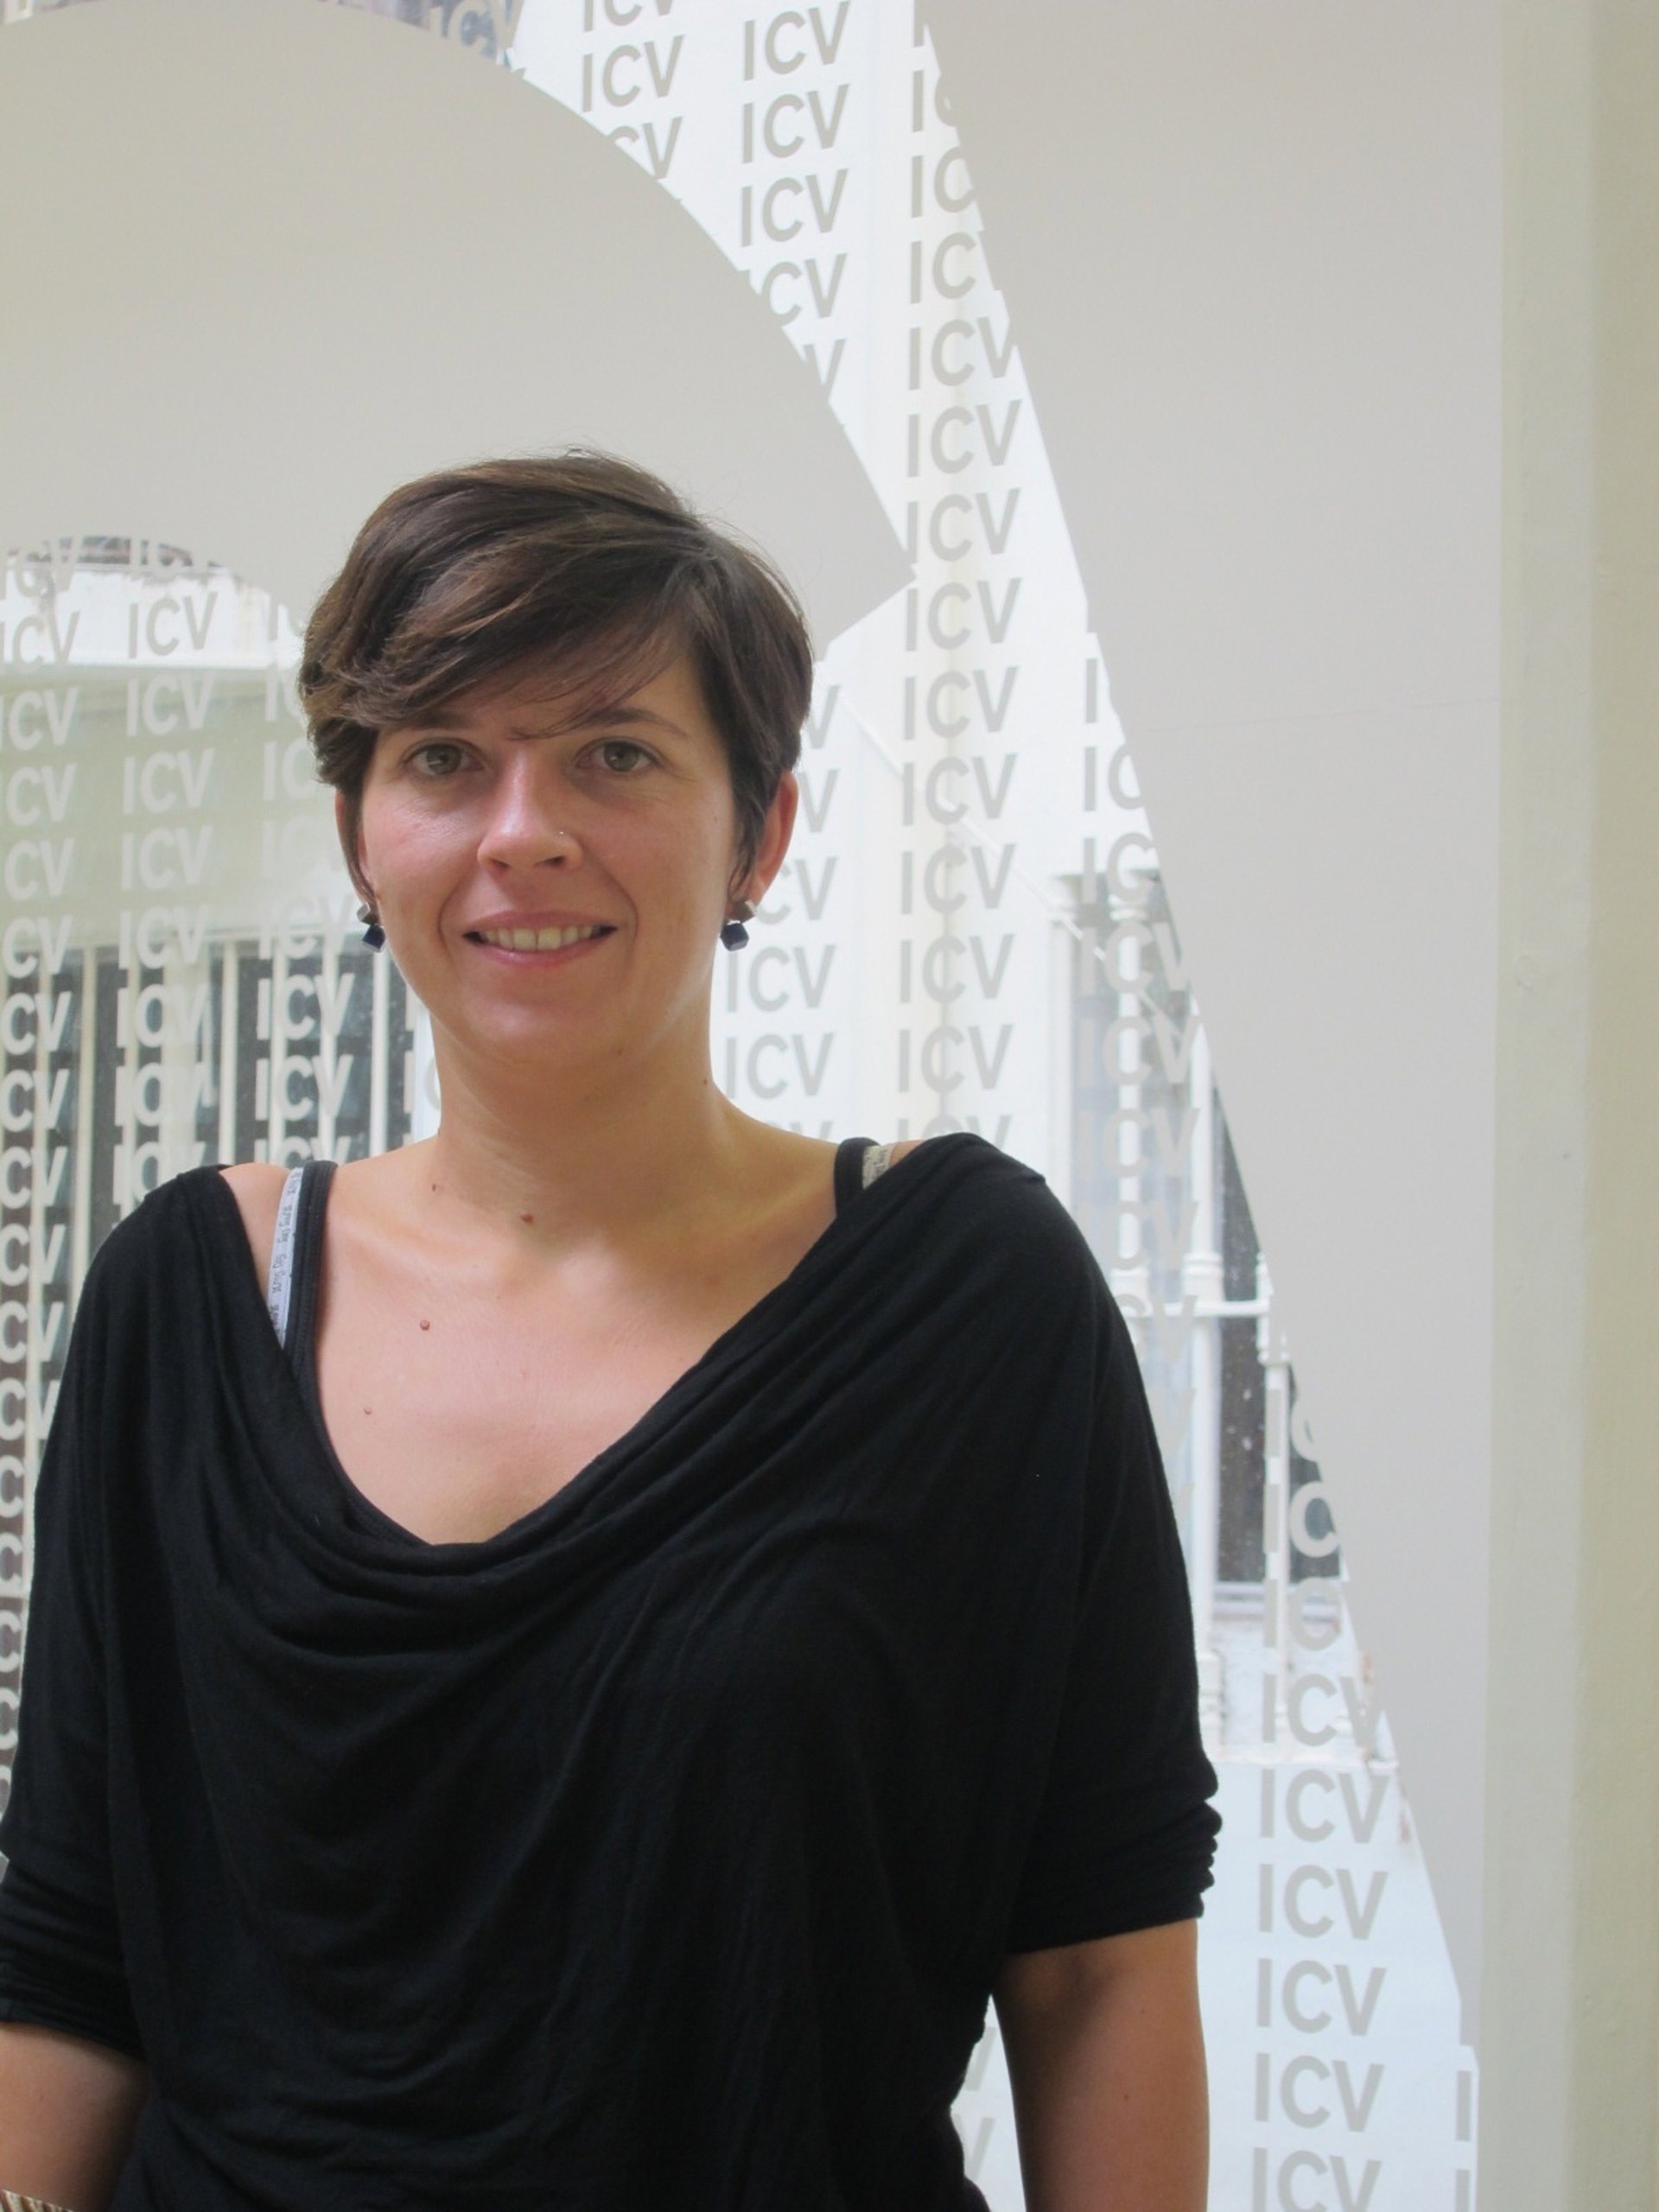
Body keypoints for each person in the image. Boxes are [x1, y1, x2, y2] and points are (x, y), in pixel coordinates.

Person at [0, 452, 1219, 2210]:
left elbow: (1097, 1957)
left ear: (761, 833)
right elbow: (73, 1953)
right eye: (442, 758)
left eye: (615, 754)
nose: (523, 831)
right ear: (360, 834)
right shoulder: (191, 1293)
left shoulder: (969, 1294)